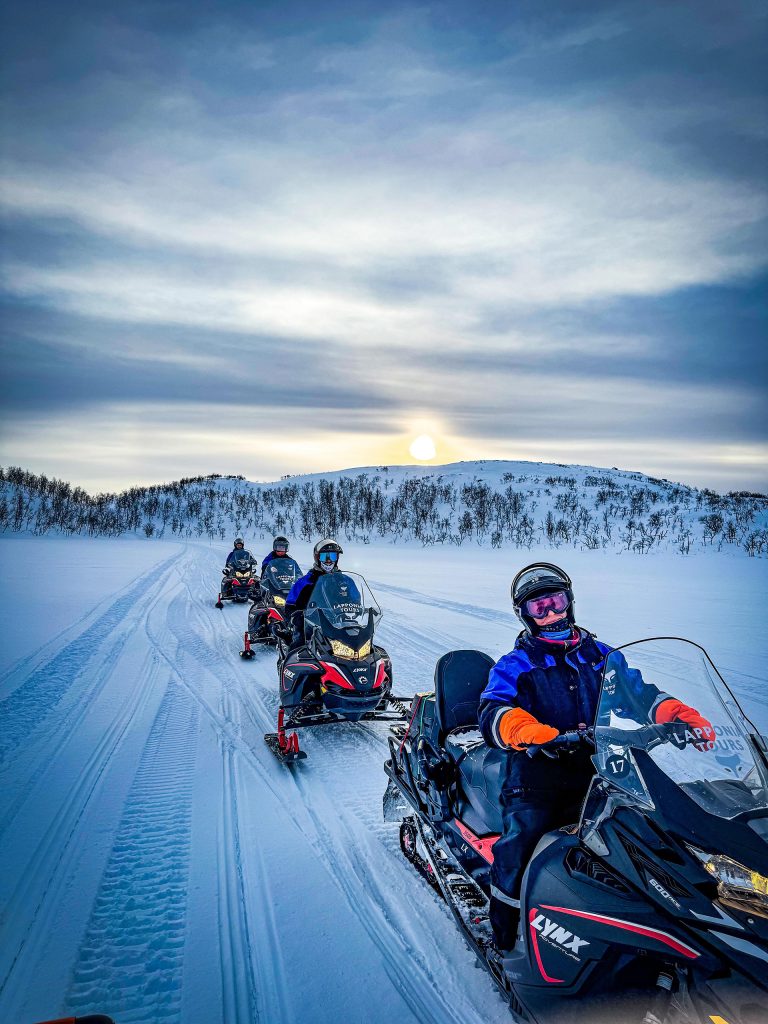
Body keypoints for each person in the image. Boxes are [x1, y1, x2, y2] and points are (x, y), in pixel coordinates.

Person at [478, 562, 715, 951]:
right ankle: (505, 935)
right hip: (538, 772)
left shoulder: (601, 655)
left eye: (556, 602)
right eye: (539, 608)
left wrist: (674, 712)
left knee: (654, 830)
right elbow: (492, 710)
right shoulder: (516, 664)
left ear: (570, 602)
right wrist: (522, 729)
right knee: (522, 842)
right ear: (524, 615)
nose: (551, 614)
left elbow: (638, 692)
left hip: (601, 765)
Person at [282, 539, 343, 649]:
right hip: (310, 626)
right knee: (298, 649)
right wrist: (297, 615)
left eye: (332, 556)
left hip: (338, 623)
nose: (329, 561)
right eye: (325, 557)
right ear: (317, 557)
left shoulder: (343, 581)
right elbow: (290, 605)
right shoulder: (305, 582)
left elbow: (355, 600)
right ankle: (288, 664)